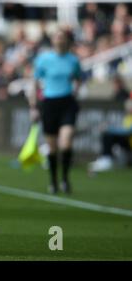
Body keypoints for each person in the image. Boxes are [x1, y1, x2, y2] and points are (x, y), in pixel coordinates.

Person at [28, 28, 82, 194]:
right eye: (56, 37)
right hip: (49, 103)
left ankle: (65, 178)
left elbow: (78, 79)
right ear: (52, 40)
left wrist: (74, 92)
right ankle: (53, 181)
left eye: (62, 37)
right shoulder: (43, 59)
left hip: (67, 103)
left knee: (66, 143)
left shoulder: (73, 60)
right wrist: (34, 107)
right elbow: (35, 83)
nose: (59, 40)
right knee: (52, 148)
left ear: (67, 40)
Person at [88, 97, 132, 173]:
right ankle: (106, 158)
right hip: (127, 143)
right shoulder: (127, 118)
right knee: (108, 135)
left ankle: (107, 160)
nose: (128, 108)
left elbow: (127, 131)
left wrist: (109, 128)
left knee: (109, 134)